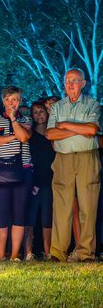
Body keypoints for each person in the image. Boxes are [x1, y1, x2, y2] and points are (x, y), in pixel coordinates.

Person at [45, 68, 100, 262]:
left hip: (86, 157)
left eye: (75, 80)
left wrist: (65, 125)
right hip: (63, 158)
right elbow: (50, 134)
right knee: (61, 206)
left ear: (83, 84)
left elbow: (92, 129)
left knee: (88, 205)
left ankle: (86, 253)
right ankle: (58, 252)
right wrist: (79, 130)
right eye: (67, 80)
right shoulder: (58, 106)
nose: (70, 84)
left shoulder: (93, 104)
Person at [0, 86, 33, 261]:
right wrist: (14, 136)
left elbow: (25, 137)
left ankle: (14, 255)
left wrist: (13, 120)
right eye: (8, 99)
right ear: (3, 100)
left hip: (23, 170)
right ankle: (0, 254)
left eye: (14, 100)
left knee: (19, 213)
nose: (11, 103)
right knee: (0, 213)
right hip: (0, 170)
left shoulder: (26, 119)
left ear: (19, 101)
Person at [24, 100, 55, 260]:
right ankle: (29, 252)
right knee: (30, 217)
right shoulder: (30, 135)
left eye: (41, 111)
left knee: (47, 217)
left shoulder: (53, 134)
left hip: (50, 180)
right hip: (33, 181)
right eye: (35, 112)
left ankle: (48, 252)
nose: (39, 115)